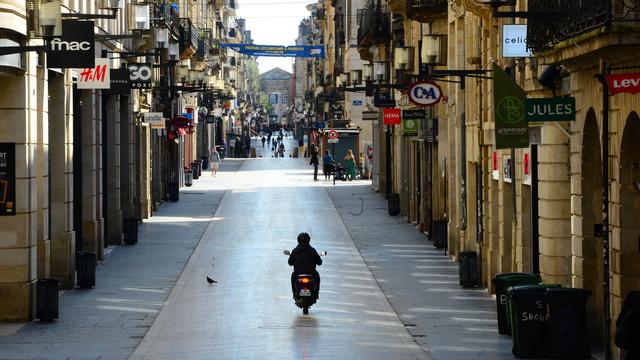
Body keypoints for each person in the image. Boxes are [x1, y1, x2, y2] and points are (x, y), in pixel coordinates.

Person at [287, 232, 322, 298]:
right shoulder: (312, 250)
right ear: (308, 240)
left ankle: (294, 293)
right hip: (311, 273)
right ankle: (316, 293)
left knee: (293, 277)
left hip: (298, 273)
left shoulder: (295, 251)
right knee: (317, 277)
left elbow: (290, 263)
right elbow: (319, 262)